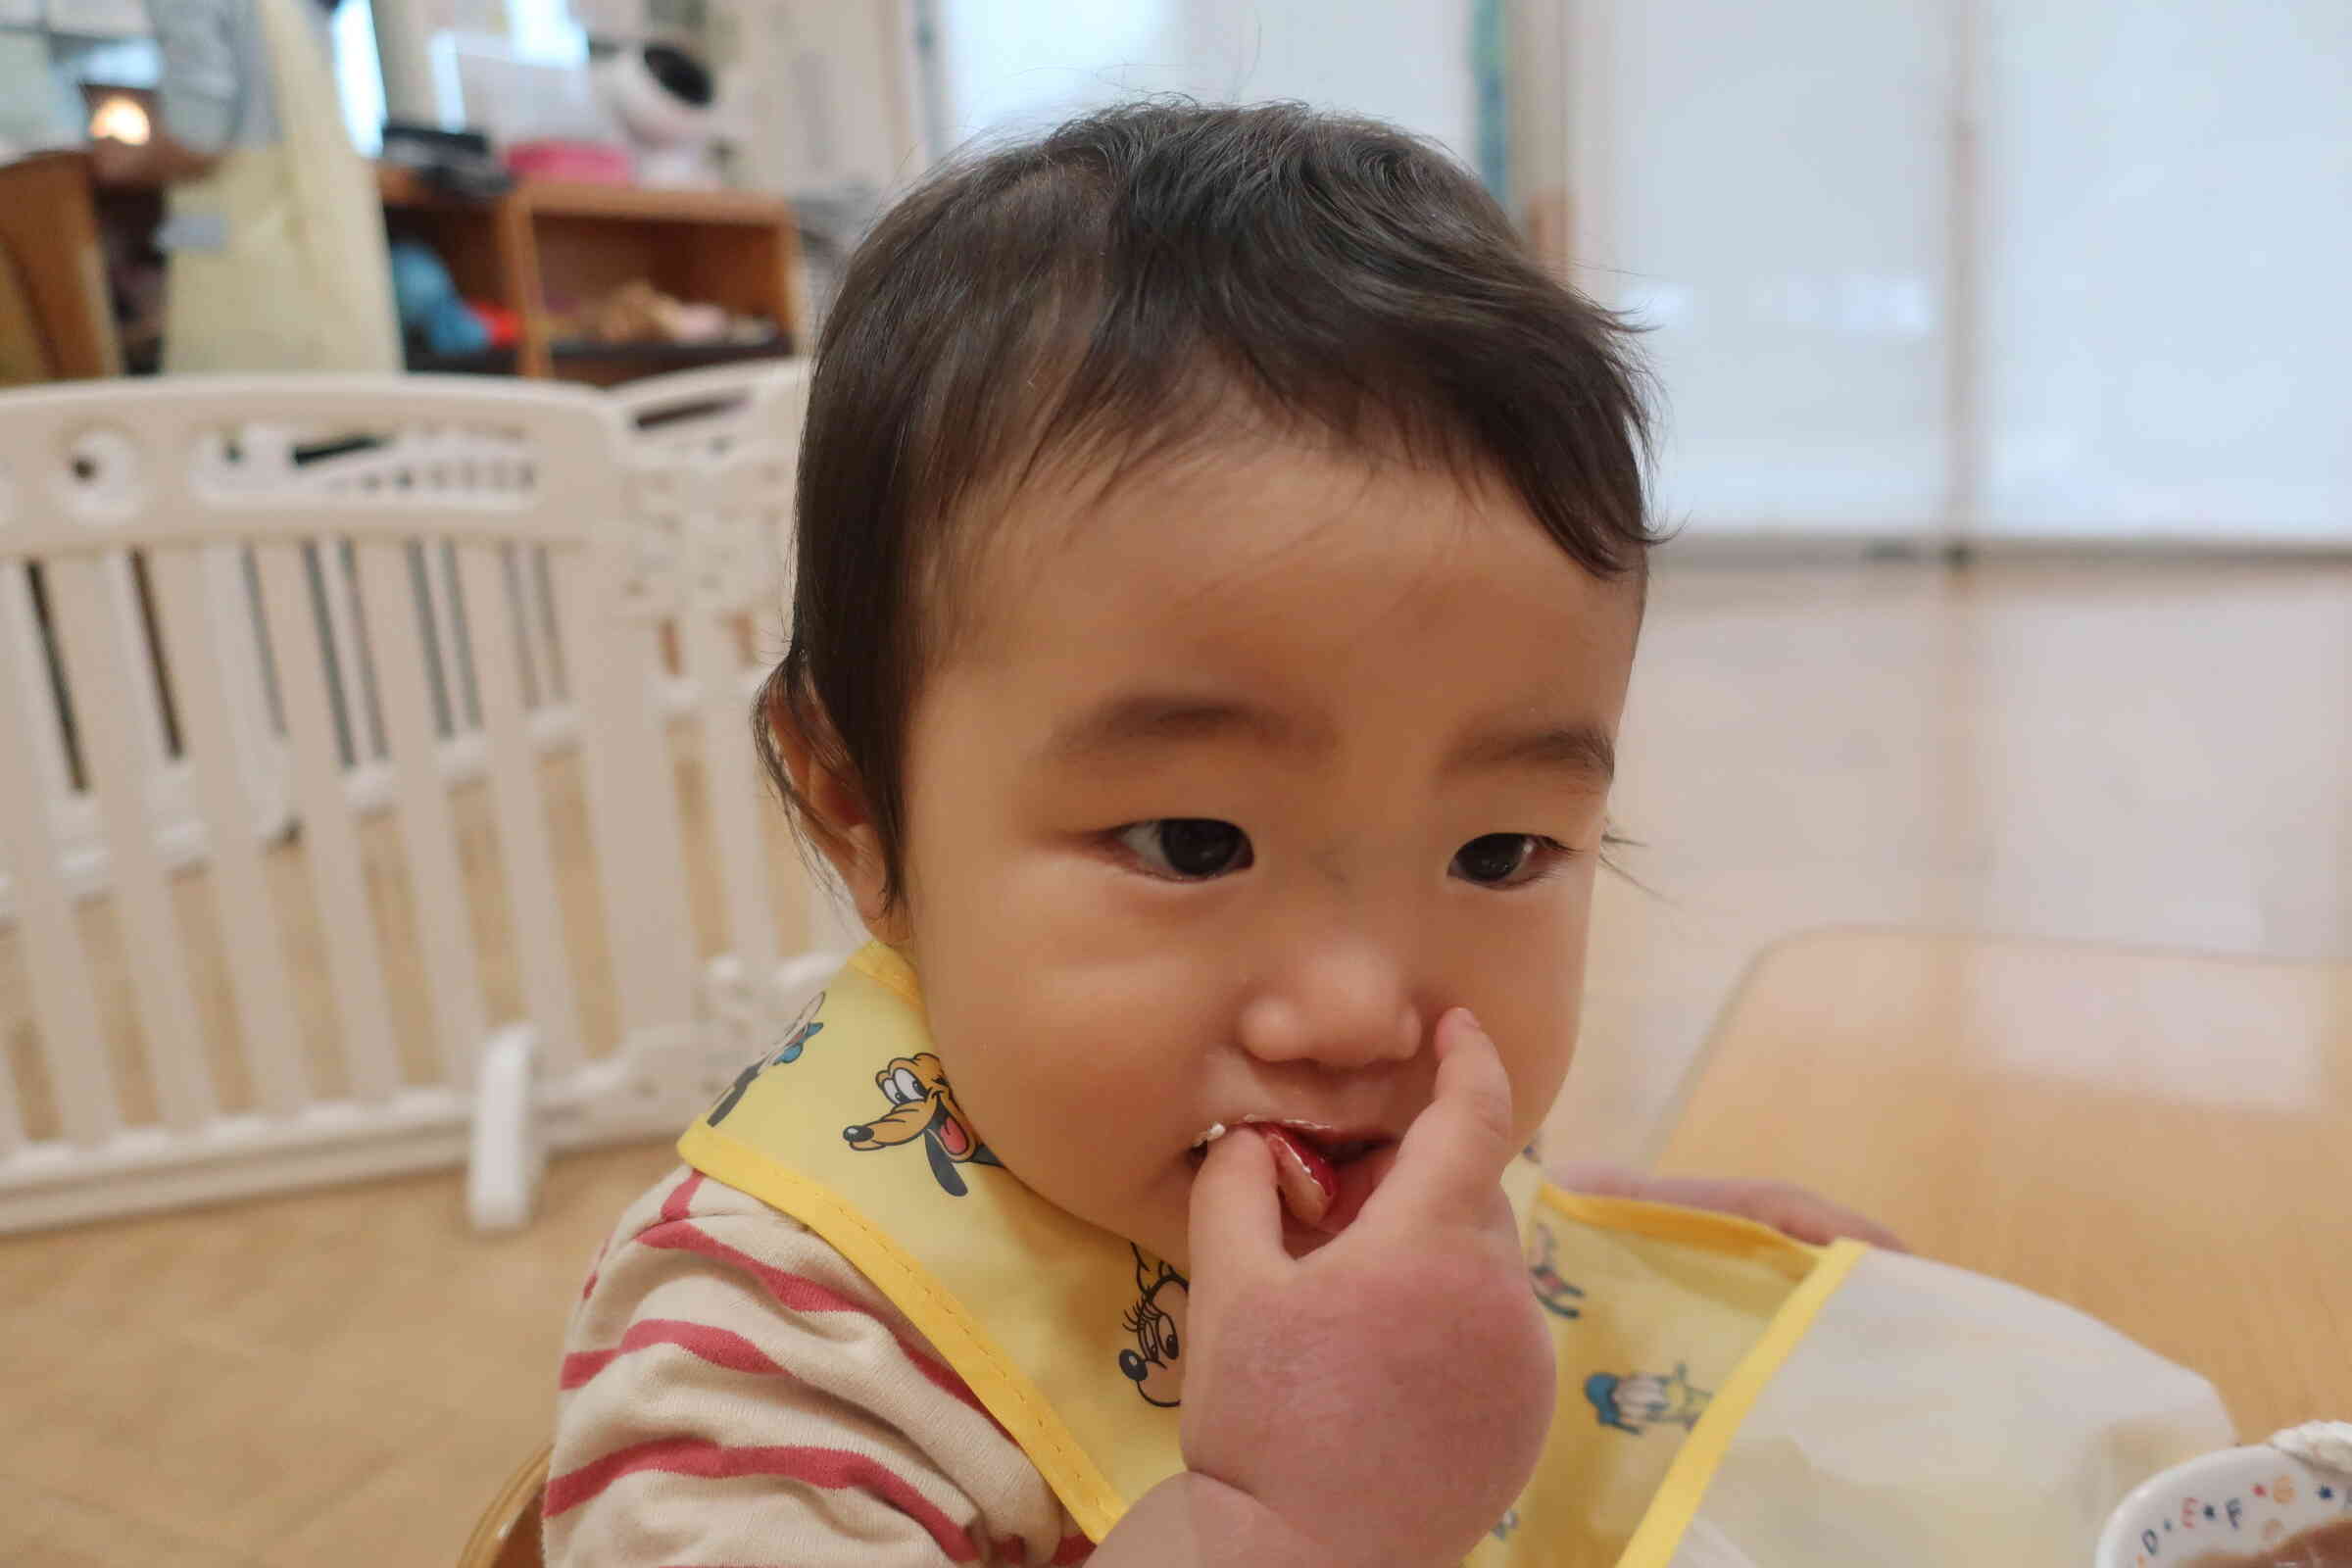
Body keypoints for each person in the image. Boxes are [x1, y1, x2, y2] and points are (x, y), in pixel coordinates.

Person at [545, 103, 2223, 1567]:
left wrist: (1601, 1247)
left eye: (1499, 856)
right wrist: (1290, 1535)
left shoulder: (1269, 1125)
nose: (1362, 1015)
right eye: (1195, 844)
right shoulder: (770, 1367)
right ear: (856, 804)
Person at [93, 0, 398, 372]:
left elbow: (199, 139)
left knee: (250, 410)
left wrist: (121, 156)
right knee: (333, 408)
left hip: (248, 269)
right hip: (321, 256)